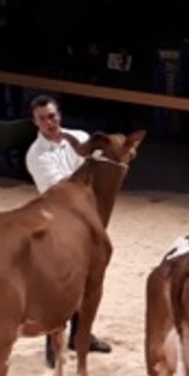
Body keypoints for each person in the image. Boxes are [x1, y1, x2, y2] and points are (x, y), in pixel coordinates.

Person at [24, 95, 111, 359]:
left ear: (59, 114)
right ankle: (53, 340)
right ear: (35, 122)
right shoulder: (36, 155)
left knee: (89, 278)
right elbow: (63, 189)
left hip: (87, 216)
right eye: (42, 118)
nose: (49, 122)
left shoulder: (80, 137)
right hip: (57, 220)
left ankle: (81, 334)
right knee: (61, 282)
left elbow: (97, 175)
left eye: (52, 116)